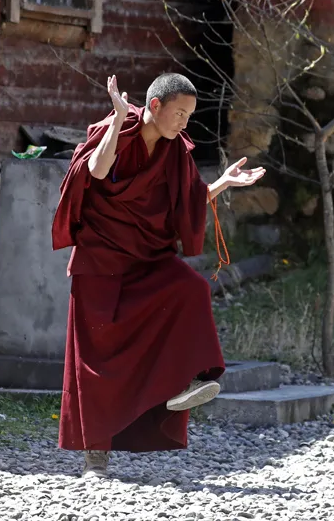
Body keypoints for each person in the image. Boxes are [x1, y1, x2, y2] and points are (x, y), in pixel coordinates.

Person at [51, 73, 265, 477]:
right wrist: (116, 117)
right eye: (179, 113)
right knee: (95, 363)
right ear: (154, 106)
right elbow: (96, 171)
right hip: (100, 261)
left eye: (190, 115)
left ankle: (190, 380)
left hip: (146, 258)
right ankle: (95, 454)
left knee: (190, 288)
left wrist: (223, 182)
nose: (184, 122)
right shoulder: (118, 131)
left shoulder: (174, 152)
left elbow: (187, 198)